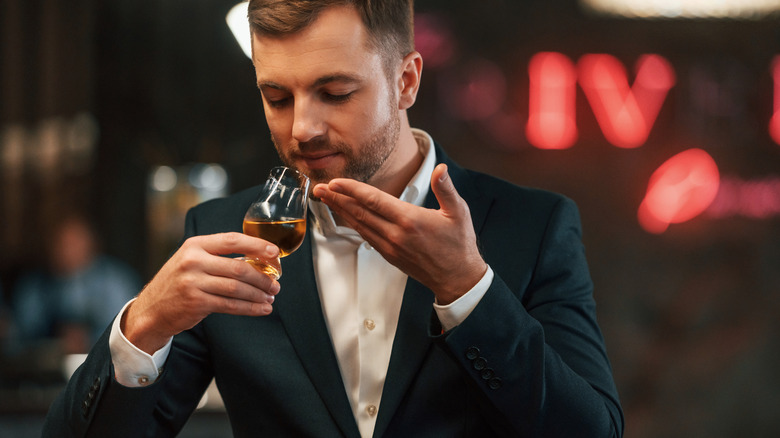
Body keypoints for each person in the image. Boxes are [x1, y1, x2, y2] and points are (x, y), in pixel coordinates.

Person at [43, 1, 623, 436]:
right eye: (277, 97)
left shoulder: (534, 226)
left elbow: (592, 430)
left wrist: (469, 290)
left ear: (407, 80)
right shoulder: (220, 233)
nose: (301, 129)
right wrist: (144, 324)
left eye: (335, 92)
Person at [8, 213, 140, 356]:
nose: (67, 250)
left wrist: (89, 340)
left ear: (92, 244)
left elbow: (130, 333)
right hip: (45, 372)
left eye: (74, 243)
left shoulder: (116, 283)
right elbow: (18, 337)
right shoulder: (34, 287)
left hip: (105, 369)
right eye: (61, 243)